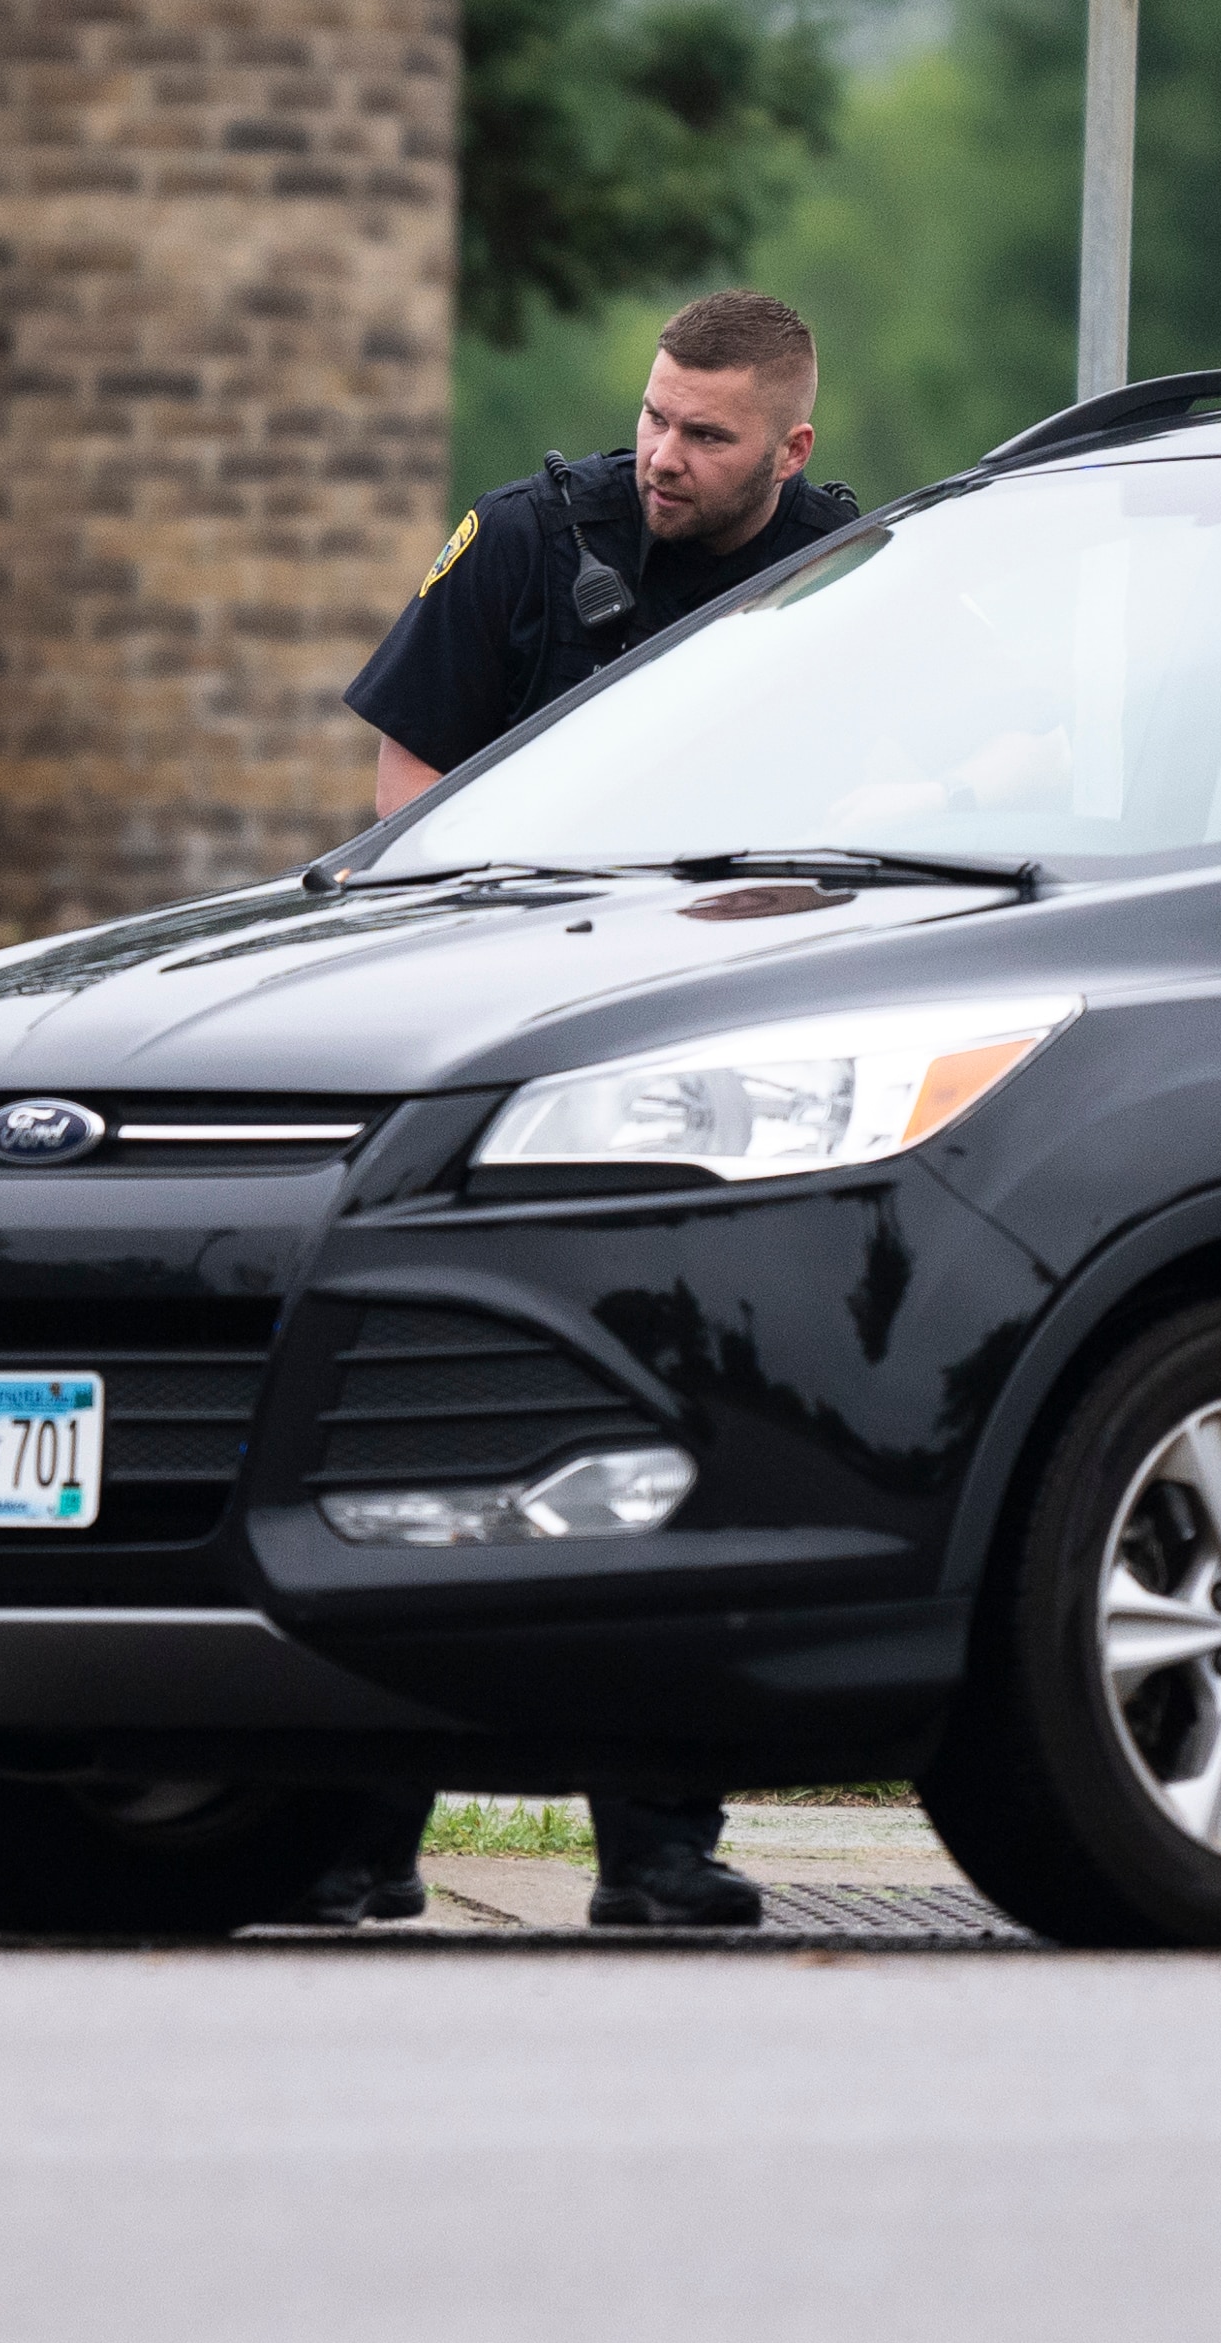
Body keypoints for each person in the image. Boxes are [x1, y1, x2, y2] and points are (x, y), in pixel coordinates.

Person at [305, 287, 864, 1930]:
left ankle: (660, 1857)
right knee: (407, 1425)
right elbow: (406, 791)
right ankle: (354, 1849)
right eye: (654, 418)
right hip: (496, 1037)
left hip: (713, 1062)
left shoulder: (854, 579)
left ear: (792, 445)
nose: (665, 455)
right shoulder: (533, 544)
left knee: (683, 1431)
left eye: (707, 433)